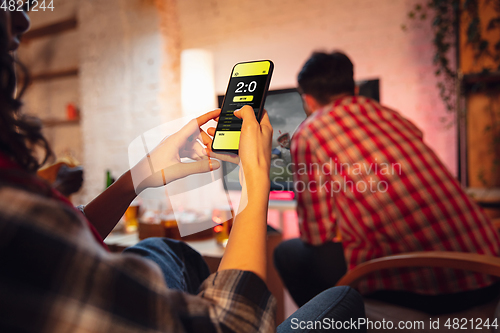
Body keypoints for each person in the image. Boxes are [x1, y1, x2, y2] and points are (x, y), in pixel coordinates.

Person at [0, 8, 366, 332]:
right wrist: (257, 179)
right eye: (10, 11)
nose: (25, 18)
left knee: (168, 249)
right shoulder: (13, 210)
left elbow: (60, 243)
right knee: (343, 299)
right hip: (374, 270)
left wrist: (139, 177)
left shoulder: (18, 206)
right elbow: (234, 323)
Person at [274, 51, 500, 314]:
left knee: (288, 252)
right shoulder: (389, 114)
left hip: (428, 290)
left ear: (308, 99)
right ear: (354, 89)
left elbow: (317, 233)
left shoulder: (309, 132)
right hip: (489, 267)